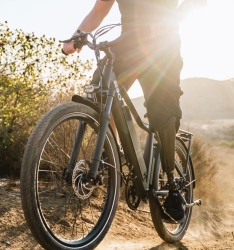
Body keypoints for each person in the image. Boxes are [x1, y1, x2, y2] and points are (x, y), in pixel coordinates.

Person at [63, 0, 206, 223]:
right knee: (100, 88)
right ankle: (112, 154)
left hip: (162, 50)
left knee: (163, 114)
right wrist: (77, 36)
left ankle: (171, 185)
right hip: (127, 46)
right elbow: (99, 10)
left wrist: (173, 20)